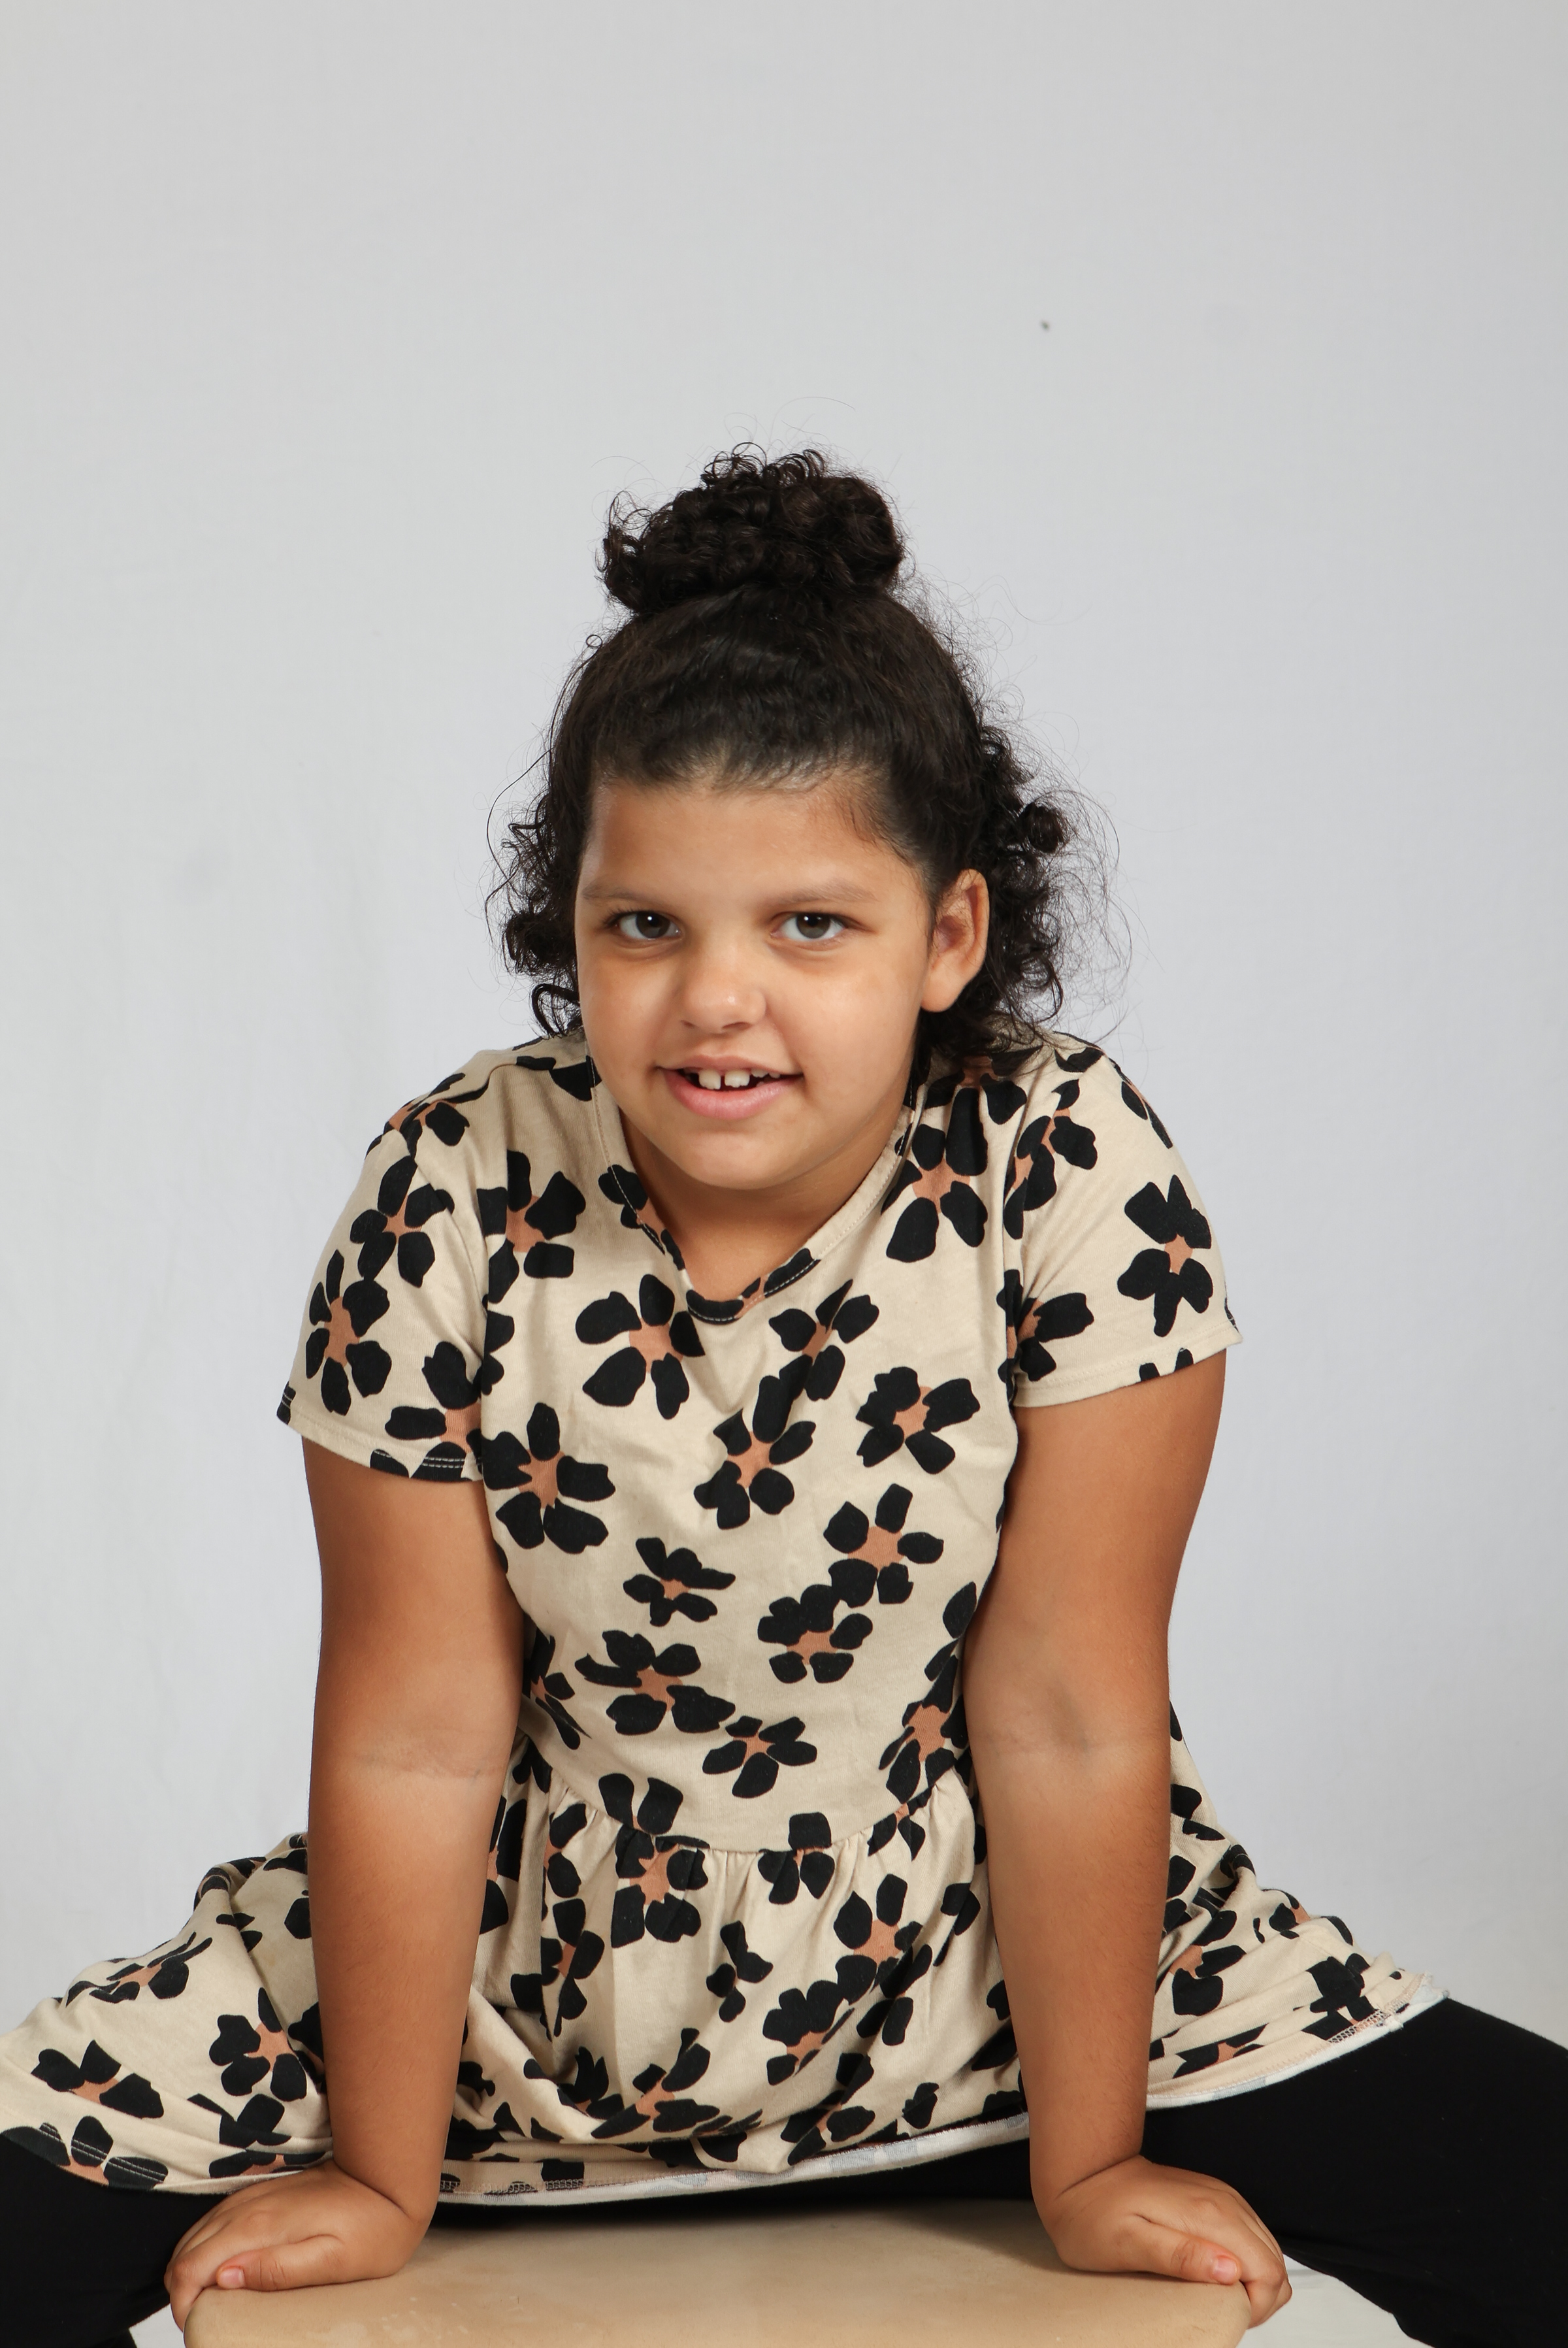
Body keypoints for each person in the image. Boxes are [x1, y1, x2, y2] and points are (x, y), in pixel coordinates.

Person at [0, 450, 1560, 2348]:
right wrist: (384, 2179)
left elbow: (1069, 1708)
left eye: (810, 926)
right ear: (572, 928)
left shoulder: (1064, 1160)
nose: (717, 1000)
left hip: (1007, 1979)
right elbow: (415, 1732)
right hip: (521, 1999)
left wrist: (1087, 2165)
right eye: (644, 925)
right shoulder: (450, 1182)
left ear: (948, 937)